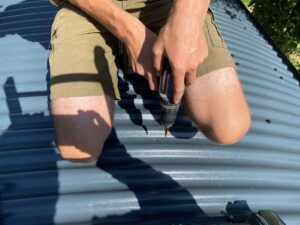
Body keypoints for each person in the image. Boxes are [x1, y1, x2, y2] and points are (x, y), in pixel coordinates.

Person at [49, 0, 251, 163]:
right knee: (78, 147)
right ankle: (122, 51)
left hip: (166, 3)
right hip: (88, 7)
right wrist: (130, 33)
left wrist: (187, 18)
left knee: (229, 127)